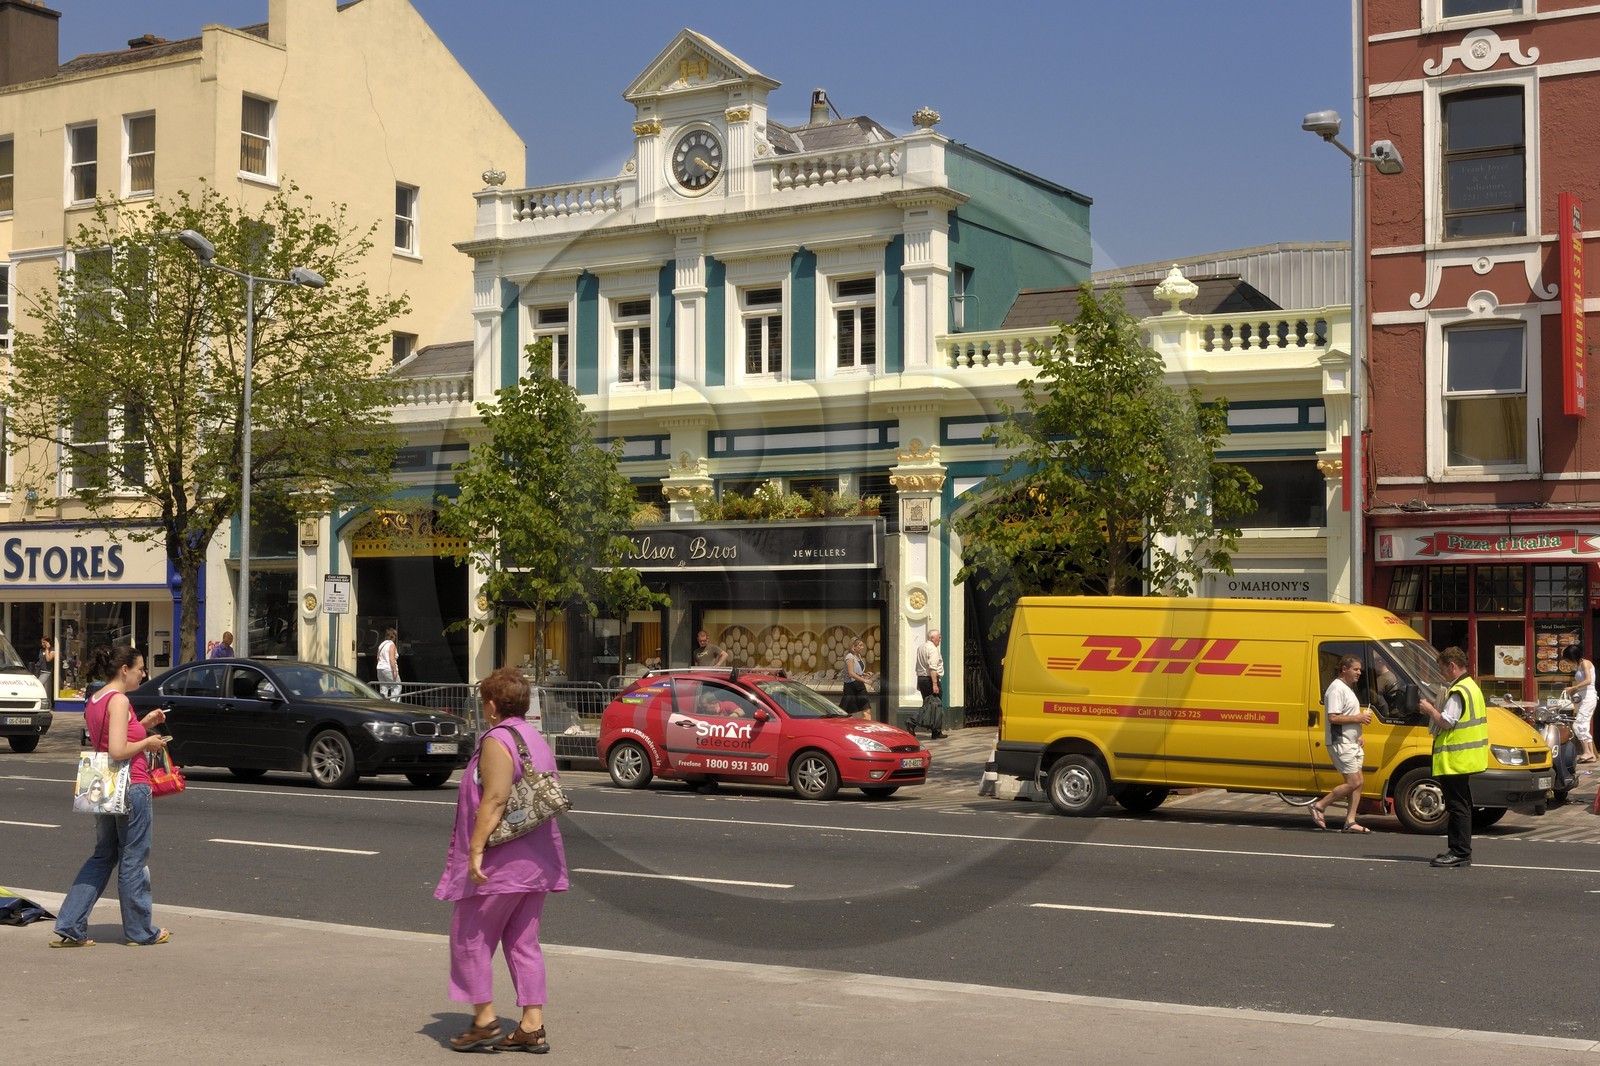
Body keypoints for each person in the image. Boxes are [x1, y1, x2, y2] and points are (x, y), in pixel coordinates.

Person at [436, 667, 569, 1053]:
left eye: (483, 703)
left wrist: (475, 850)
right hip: (538, 859)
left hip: (502, 861)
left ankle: (484, 1020)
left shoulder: (497, 740)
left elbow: (494, 799)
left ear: (492, 705)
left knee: (469, 938)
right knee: (523, 942)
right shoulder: (533, 737)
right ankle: (531, 1025)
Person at [52, 645, 170, 947]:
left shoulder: (95, 699)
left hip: (104, 787)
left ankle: (70, 923)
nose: (144, 673)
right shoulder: (118, 700)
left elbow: (108, 741)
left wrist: (143, 725)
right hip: (132, 785)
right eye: (141, 668)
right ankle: (140, 932)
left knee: (103, 855)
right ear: (125, 670)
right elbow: (118, 751)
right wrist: (148, 743)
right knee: (134, 858)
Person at [1418, 646, 1489, 868]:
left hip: (1455, 758)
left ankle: (1459, 852)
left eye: (1442, 669)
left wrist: (1429, 709)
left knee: (1457, 805)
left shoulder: (1458, 691)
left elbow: (1447, 722)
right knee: (1462, 804)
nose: (1442, 674)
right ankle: (1460, 850)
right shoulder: (1472, 687)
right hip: (1465, 757)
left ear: (1452, 666)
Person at [1310, 655, 1372, 832]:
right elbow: (1333, 717)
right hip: (1340, 742)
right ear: (1344, 669)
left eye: (1360, 669)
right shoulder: (1336, 689)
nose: (1359, 673)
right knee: (1353, 782)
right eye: (1356, 669)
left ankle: (1350, 821)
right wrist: (1358, 717)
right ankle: (1320, 805)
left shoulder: (1347, 688)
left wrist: (1357, 735)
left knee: (1359, 782)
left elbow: (1346, 717)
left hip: (1351, 742)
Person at [1561, 644, 1597, 763]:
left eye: (1568, 659)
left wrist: (1574, 687)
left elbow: (1588, 680)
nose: (1568, 662)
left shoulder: (1585, 663)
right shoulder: (1579, 666)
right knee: (1583, 724)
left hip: (1589, 696)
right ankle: (1590, 753)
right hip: (1582, 697)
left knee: (1579, 724)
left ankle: (1587, 752)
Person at [914, 629, 946, 740]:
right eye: (939, 637)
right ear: (932, 638)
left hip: (922, 678)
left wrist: (920, 681)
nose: (940, 639)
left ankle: (936, 731)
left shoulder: (921, 647)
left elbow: (918, 666)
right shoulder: (932, 649)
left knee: (929, 705)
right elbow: (932, 668)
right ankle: (912, 722)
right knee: (935, 705)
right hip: (930, 679)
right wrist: (935, 684)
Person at [841, 638, 873, 718]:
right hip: (851, 687)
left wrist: (865, 674)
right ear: (853, 647)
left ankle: (867, 728)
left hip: (860, 686)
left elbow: (857, 672)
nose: (862, 647)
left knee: (867, 710)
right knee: (845, 712)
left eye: (862, 645)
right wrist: (865, 680)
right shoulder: (849, 657)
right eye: (860, 645)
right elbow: (851, 673)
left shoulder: (858, 656)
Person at [376, 627, 401, 699]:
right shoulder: (391, 645)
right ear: (392, 636)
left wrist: (380, 665)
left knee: (383, 688)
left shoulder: (381, 645)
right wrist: (394, 670)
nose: (396, 637)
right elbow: (391, 659)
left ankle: (383, 704)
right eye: (395, 635)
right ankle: (394, 705)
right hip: (388, 668)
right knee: (397, 687)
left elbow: (378, 657)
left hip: (380, 668)